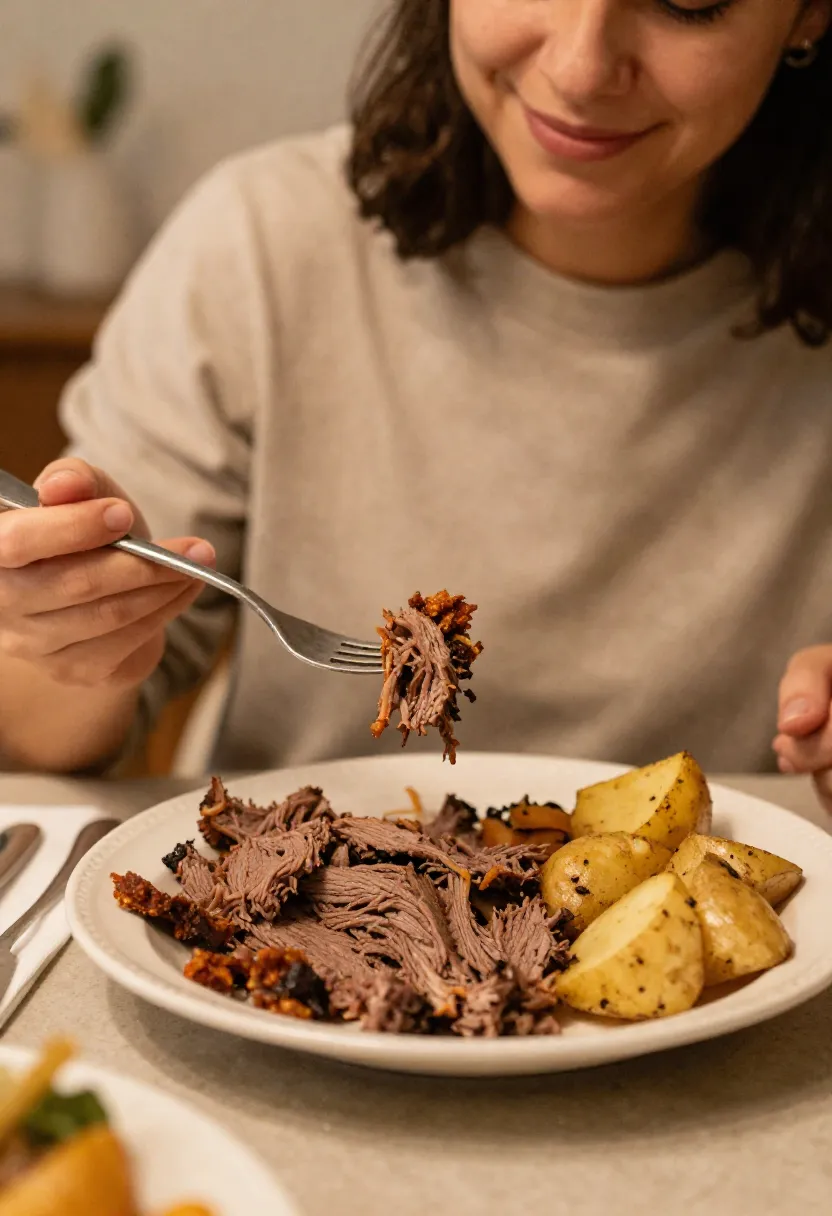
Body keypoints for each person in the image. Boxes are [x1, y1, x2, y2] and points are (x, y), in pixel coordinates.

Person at [1, 0, 831, 803]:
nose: (579, 69)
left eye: (687, 2)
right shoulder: (265, 244)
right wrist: (75, 635)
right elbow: (40, 729)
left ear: (808, 16)